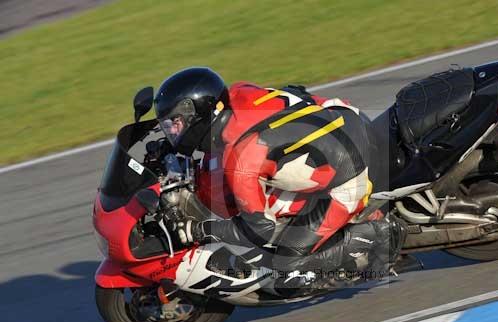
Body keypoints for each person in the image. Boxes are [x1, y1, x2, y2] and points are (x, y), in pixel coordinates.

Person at [154, 67, 406, 293]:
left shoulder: (241, 159)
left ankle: (376, 234)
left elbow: (259, 229)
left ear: (198, 117)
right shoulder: (238, 92)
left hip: (354, 171)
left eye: (175, 124)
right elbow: (294, 91)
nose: (172, 131)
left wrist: (200, 230)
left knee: (285, 267)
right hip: (345, 116)